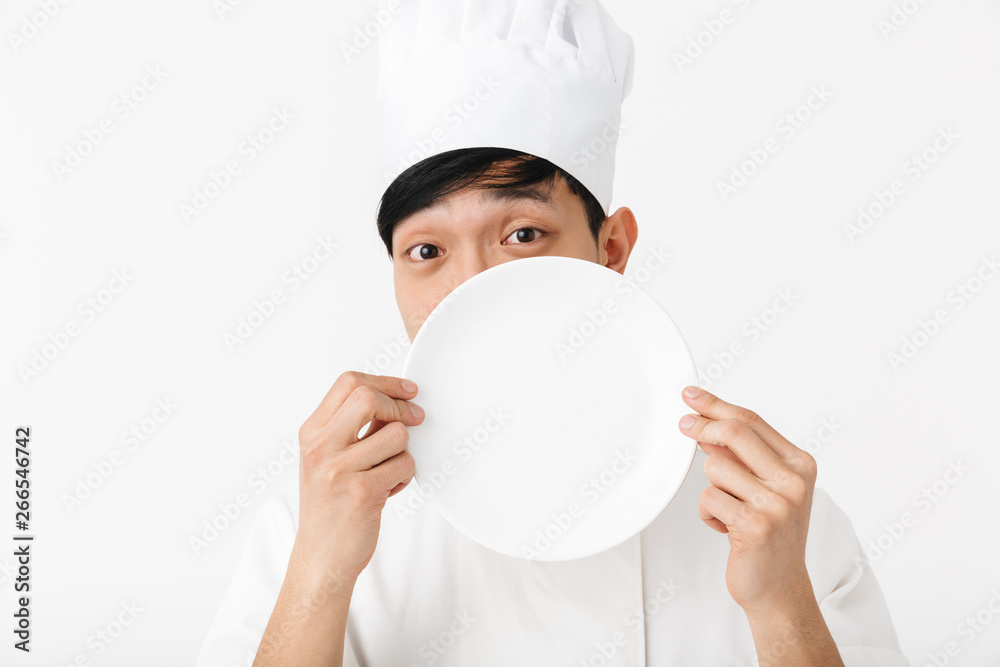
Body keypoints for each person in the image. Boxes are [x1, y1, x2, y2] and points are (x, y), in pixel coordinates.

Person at [195, 1, 910, 665]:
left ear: (611, 248)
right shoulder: (320, 519)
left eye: (522, 234)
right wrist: (321, 573)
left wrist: (781, 605)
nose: (474, 287)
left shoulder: (770, 514)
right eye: (426, 250)